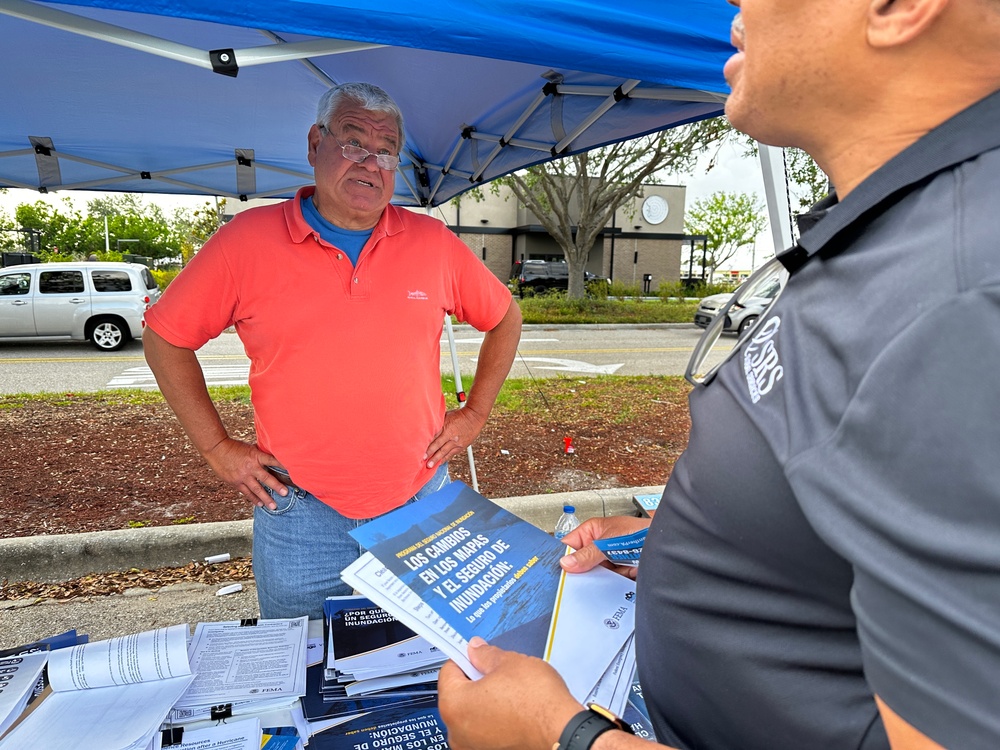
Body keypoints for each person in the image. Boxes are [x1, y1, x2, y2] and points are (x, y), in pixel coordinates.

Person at [438, 0, 1000, 748]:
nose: (736, 5)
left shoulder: (965, 294)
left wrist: (556, 736)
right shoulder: (904, 233)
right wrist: (669, 543)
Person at [143, 82, 521, 622]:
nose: (370, 162)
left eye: (386, 149)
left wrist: (476, 413)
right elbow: (166, 337)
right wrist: (216, 447)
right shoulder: (247, 241)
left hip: (420, 505)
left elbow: (506, 317)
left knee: (423, 674)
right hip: (300, 519)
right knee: (303, 675)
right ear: (315, 143)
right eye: (353, 141)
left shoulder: (432, 243)